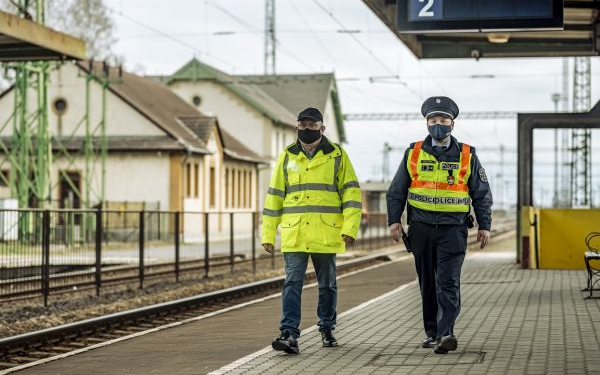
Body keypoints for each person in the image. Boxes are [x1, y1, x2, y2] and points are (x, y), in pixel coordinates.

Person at [386, 96, 492, 355]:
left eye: (443, 120)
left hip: (452, 229)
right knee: (428, 284)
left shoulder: (467, 154)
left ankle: (447, 333)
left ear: (452, 124)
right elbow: (397, 190)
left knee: (447, 281)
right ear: (426, 122)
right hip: (421, 228)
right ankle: (433, 333)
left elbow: (481, 193)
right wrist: (394, 220)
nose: (438, 125)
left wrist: (484, 225)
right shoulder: (413, 152)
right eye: (433, 120)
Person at [261, 107, 362, 355]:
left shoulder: (337, 155)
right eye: (302, 125)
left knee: (327, 284)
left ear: (322, 128)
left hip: (326, 233)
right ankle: (289, 334)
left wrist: (350, 228)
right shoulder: (287, 156)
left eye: (312, 125)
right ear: (297, 127)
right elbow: (274, 196)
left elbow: (351, 192)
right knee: (291, 283)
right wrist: (267, 234)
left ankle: (327, 328)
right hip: (295, 233)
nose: (307, 130)